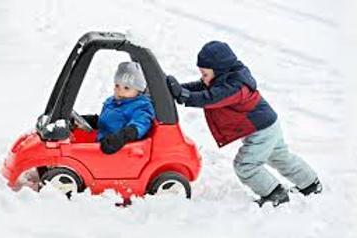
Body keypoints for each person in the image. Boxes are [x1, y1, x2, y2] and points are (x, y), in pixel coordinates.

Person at [166, 41, 322, 207]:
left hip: (262, 131)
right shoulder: (225, 77)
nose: (203, 78)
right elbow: (203, 87)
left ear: (219, 71)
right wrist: (180, 89)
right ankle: (310, 184)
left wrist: (186, 96)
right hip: (267, 125)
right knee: (280, 157)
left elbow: (211, 97)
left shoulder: (236, 87)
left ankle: (274, 193)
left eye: (205, 74)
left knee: (245, 165)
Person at [82, 61, 155, 155]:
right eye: (117, 85)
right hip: (102, 146)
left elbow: (140, 124)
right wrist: (90, 121)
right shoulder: (112, 102)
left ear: (139, 90)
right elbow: (108, 121)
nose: (120, 90)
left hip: (119, 151)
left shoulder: (140, 106)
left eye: (127, 88)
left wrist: (121, 137)